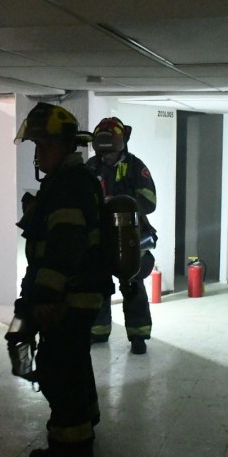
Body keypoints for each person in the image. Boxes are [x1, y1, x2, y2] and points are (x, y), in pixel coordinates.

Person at [13, 102, 110, 457]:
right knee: (74, 363)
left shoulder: (68, 186)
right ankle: (85, 425)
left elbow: (63, 251)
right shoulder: (68, 182)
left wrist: (44, 299)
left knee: (58, 370)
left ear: (67, 146)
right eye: (36, 146)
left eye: (46, 146)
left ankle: (70, 448)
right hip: (78, 295)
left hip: (68, 298)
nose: (39, 154)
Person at [86, 117, 157, 355]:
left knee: (133, 283)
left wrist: (118, 204)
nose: (105, 157)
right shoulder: (91, 167)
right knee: (97, 282)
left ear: (121, 144)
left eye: (110, 151)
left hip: (129, 236)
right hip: (100, 237)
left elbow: (149, 202)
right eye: (101, 151)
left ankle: (139, 336)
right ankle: (98, 330)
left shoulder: (136, 167)